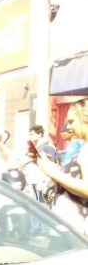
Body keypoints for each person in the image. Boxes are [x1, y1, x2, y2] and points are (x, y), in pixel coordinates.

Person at [30, 99, 88, 234]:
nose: (69, 127)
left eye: (72, 121)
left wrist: (54, 173)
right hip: (71, 229)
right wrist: (42, 163)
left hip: (76, 232)